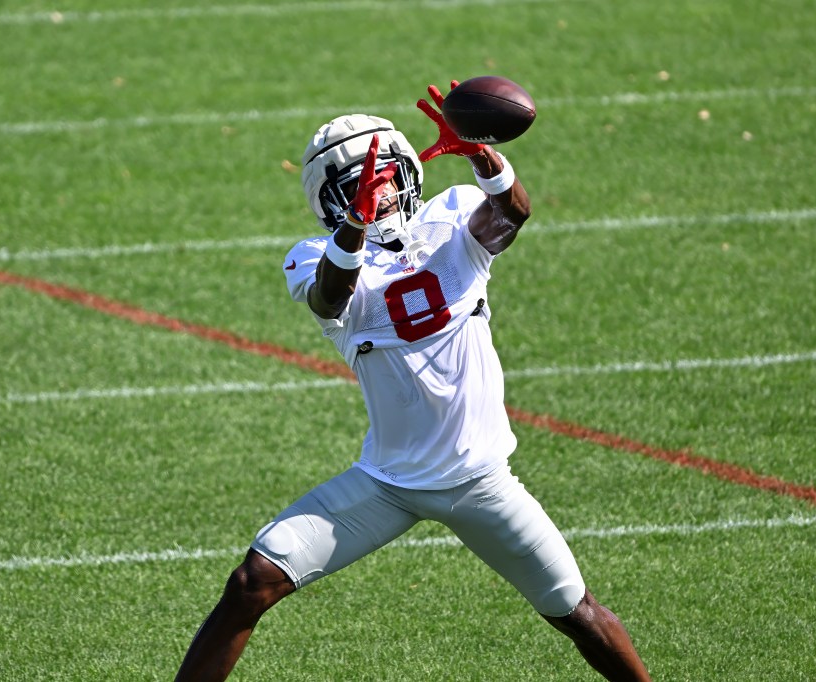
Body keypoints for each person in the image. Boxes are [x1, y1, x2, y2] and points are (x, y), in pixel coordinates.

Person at [174, 82, 650, 682]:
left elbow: (512, 213)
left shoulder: (452, 218)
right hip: (388, 483)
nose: (382, 192)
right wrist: (353, 226)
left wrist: (484, 157)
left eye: (388, 174)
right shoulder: (315, 257)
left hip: (482, 482)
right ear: (330, 203)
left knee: (575, 611)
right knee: (250, 584)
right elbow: (330, 295)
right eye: (359, 187)